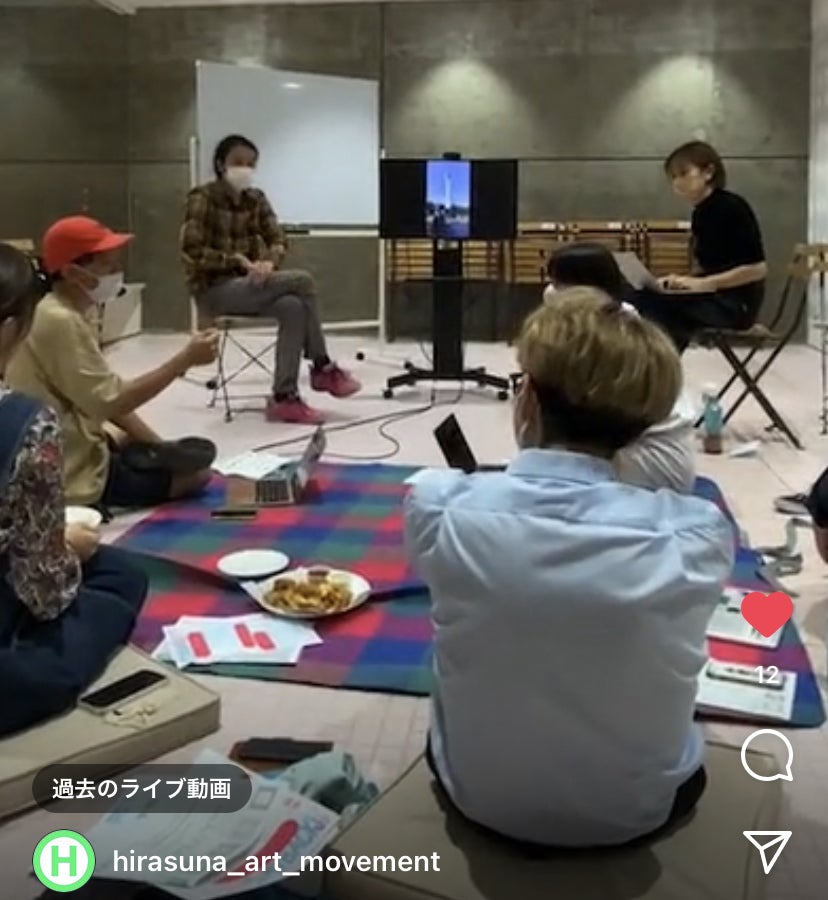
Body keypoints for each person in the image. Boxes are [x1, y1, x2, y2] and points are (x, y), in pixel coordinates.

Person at [404, 288, 733, 849]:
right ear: (641, 422)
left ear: (528, 399)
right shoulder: (697, 533)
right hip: (638, 814)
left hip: (477, 799)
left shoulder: (438, 507)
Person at [0, 243, 148, 737]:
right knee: (120, 580)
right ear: (10, 329)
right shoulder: (22, 421)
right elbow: (45, 591)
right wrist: (65, 547)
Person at [5, 215, 219, 513]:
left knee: (134, 440)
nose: (117, 272)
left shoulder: (61, 311)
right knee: (199, 476)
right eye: (107, 266)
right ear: (73, 272)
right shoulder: (60, 320)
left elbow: (101, 394)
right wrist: (184, 360)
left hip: (71, 442)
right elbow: (111, 400)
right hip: (69, 469)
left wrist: (159, 446)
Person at [181, 134, 361, 425]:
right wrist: (235, 260)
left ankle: (284, 396)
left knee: (293, 307)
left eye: (251, 163)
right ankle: (322, 366)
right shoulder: (202, 198)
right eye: (238, 162)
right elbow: (192, 250)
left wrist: (269, 262)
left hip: (251, 284)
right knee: (303, 280)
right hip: (214, 288)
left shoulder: (256, 199)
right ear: (221, 164)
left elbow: (279, 238)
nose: (245, 168)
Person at [545, 244, 697, 493]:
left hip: (653, 459)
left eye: (558, 284)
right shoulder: (593, 313)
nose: (552, 291)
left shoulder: (615, 333)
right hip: (636, 446)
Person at [631, 141, 767, 352]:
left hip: (734, 306)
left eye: (683, 173)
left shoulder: (732, 207)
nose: (677, 182)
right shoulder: (701, 213)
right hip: (714, 298)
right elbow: (713, 266)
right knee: (643, 296)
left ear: (708, 172)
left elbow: (757, 270)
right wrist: (682, 281)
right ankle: (658, 363)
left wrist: (703, 284)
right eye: (673, 177)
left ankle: (657, 365)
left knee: (657, 306)